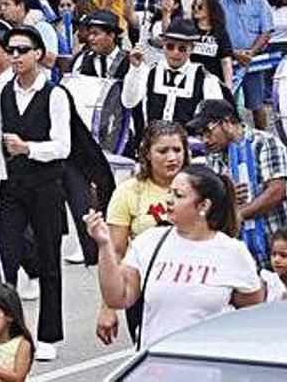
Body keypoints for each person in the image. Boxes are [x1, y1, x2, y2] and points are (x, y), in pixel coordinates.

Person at [86, 164, 265, 349]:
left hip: (209, 369)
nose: (169, 200)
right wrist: (104, 244)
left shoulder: (233, 252)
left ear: (203, 205)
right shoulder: (150, 241)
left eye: (178, 195)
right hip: (157, 365)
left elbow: (251, 313)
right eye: (170, 192)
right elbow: (118, 297)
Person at [0, 25, 70, 361]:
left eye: (23, 50)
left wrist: (29, 148)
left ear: (38, 53)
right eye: (12, 50)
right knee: (5, 256)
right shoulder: (3, 89)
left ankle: (48, 334)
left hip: (46, 185)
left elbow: (63, 146)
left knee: (50, 260)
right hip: (12, 185)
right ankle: (9, 332)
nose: (16, 56)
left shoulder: (54, 94)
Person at [96, 121, 190, 346]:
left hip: (191, 287)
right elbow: (116, 252)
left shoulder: (199, 186)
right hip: (145, 292)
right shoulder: (129, 192)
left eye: (177, 150)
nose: (172, 157)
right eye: (162, 151)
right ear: (147, 154)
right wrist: (108, 307)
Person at [188, 99, 287, 270]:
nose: (204, 139)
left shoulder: (265, 143)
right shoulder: (213, 156)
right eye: (200, 134)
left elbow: (277, 192)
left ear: (226, 122)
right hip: (240, 255)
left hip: (275, 248)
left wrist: (237, 214)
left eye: (207, 132)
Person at [122, 18, 223, 146]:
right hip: (152, 149)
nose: (175, 53)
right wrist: (135, 69)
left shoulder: (207, 79)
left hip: (188, 151)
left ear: (191, 48)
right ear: (163, 46)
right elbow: (129, 101)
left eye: (182, 48)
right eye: (170, 47)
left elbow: (215, 120)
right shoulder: (148, 72)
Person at [220, 0, 273, 130]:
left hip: (253, 63)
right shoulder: (222, 5)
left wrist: (251, 53)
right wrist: (235, 54)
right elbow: (218, 34)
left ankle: (263, 139)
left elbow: (266, 31)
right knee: (227, 105)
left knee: (257, 105)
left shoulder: (260, 3)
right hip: (230, 62)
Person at [189, 0, 234, 87]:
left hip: (213, 82)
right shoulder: (189, 29)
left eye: (200, 7)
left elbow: (226, 61)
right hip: (190, 80)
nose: (196, 9)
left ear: (210, 9)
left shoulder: (220, 32)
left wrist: (228, 86)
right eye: (194, 6)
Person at [69, 10, 129, 79]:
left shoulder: (128, 61)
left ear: (111, 35)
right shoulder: (81, 59)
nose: (90, 38)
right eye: (90, 34)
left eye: (96, 34)